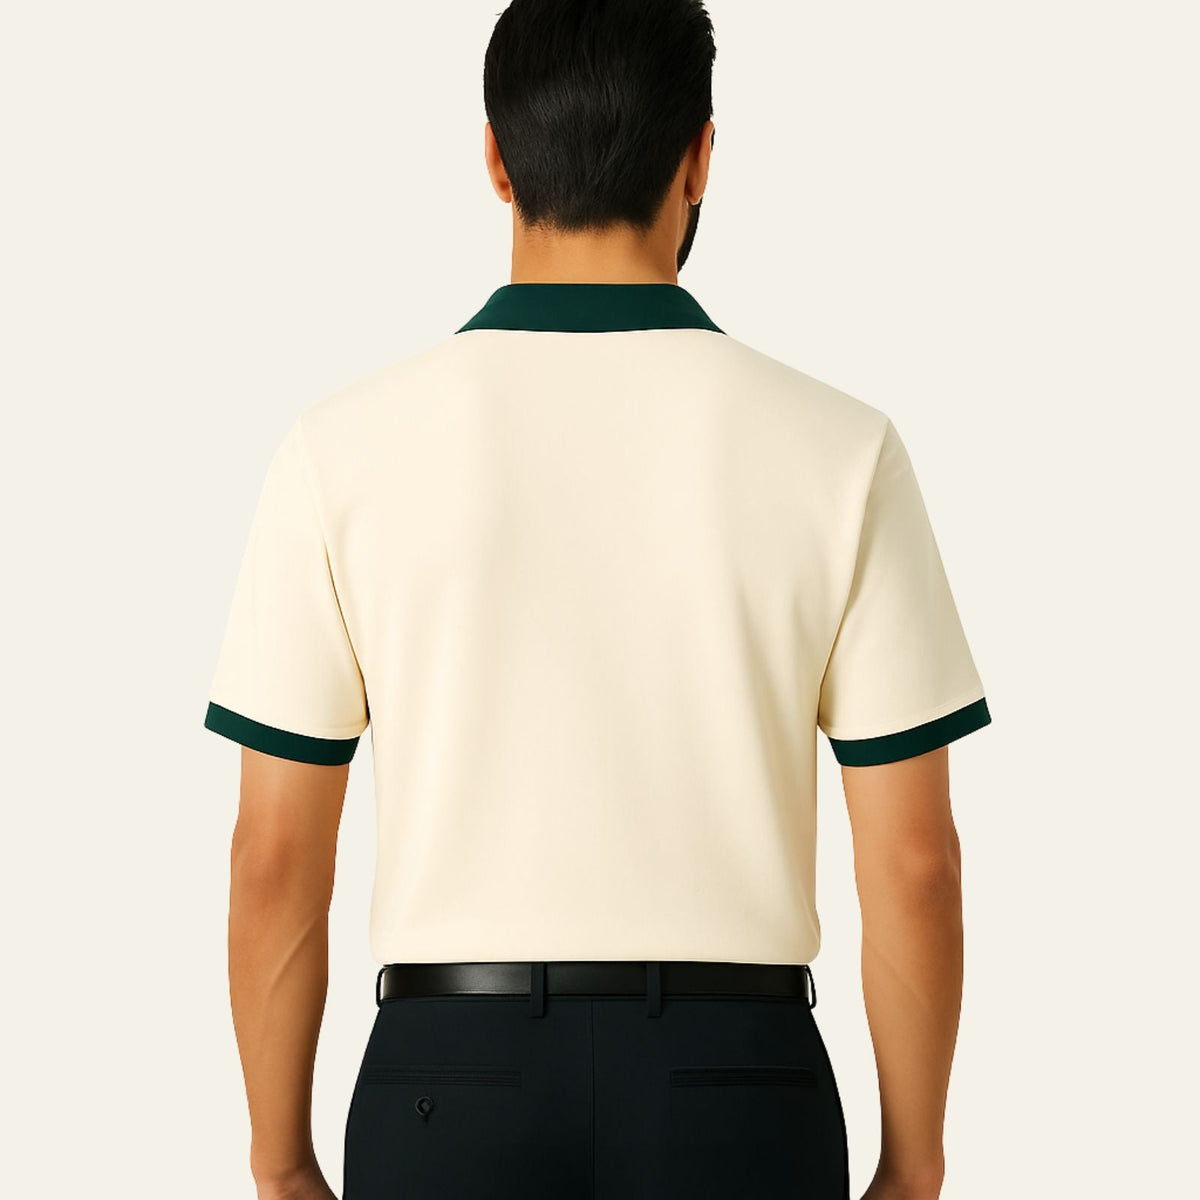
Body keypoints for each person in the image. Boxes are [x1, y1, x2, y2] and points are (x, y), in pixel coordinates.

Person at [203, 2, 992, 1198]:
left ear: (495, 158)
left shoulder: (339, 451)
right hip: (738, 1088)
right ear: (701, 158)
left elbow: (272, 858)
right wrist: (915, 1165)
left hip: (447, 1086)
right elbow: (917, 861)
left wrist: (279, 1163)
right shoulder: (843, 450)